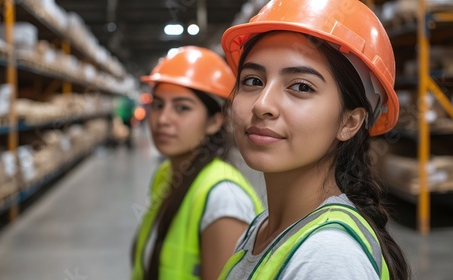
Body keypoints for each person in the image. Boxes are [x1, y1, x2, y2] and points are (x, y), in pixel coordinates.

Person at [218, 0, 410, 279]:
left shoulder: (328, 258)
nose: (262, 105)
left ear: (349, 122)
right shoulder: (262, 228)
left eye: (301, 86)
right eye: (253, 81)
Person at [131, 46, 264, 280]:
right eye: (158, 105)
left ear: (214, 121)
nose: (163, 119)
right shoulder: (166, 173)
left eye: (182, 108)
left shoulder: (224, 199)